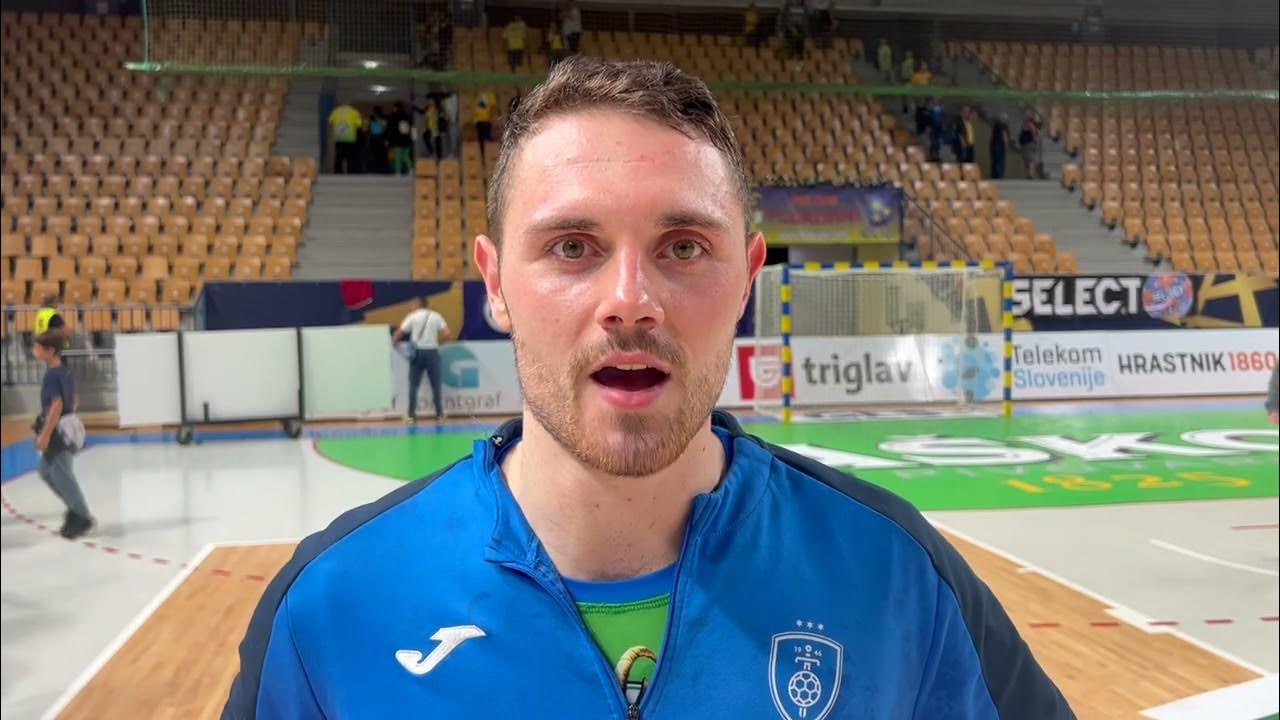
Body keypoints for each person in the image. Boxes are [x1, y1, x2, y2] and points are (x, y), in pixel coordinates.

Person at [223, 57, 1072, 718]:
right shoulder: (334, 605)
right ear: (495, 282)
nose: (630, 300)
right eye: (572, 248)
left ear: (747, 279)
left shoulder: (896, 576)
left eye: (683, 247)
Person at [32, 331, 92, 539]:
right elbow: (73, 399)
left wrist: (45, 434)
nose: (34, 351)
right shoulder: (64, 372)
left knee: (61, 473)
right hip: (66, 425)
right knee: (46, 471)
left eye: (37, 348)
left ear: (50, 351)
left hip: (58, 431)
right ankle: (74, 507)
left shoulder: (52, 375)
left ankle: (82, 515)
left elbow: (56, 405)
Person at [392, 297, 450, 422]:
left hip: (417, 353)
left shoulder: (412, 316)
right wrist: (438, 343)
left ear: (417, 304)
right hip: (432, 352)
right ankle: (439, 415)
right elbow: (447, 334)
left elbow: (400, 332)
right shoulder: (436, 316)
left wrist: (394, 343)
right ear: (426, 304)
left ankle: (411, 415)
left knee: (414, 385)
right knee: (435, 385)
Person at [328, 101, 362, 174]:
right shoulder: (354, 112)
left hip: (339, 137)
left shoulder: (336, 111)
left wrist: (331, 134)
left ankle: (338, 171)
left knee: (339, 156)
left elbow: (330, 122)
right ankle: (350, 171)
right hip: (350, 138)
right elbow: (359, 125)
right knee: (350, 156)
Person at [389, 101, 415, 176]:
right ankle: (411, 169)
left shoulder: (395, 117)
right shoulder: (407, 116)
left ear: (396, 108)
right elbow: (411, 128)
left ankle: (398, 171)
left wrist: (391, 140)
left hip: (398, 140)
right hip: (407, 139)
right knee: (406, 156)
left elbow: (393, 130)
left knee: (398, 156)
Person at [367, 106, 389, 174]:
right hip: (380, 138)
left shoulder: (373, 118)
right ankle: (381, 169)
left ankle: (377, 169)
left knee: (376, 154)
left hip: (376, 138)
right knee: (381, 155)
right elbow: (385, 128)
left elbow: (370, 128)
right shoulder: (383, 118)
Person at [1019, 111, 1041, 178]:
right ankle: (1030, 173)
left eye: (1026, 116)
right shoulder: (1026, 124)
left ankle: (1031, 174)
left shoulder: (1030, 124)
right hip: (1026, 144)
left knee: (1030, 160)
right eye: (1024, 115)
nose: (1024, 117)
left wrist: (1035, 139)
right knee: (1027, 160)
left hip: (1029, 144)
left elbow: (1034, 132)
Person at [990, 111, 1011, 179]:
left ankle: (994, 175)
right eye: (1005, 118)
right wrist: (1007, 146)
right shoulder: (1003, 125)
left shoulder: (996, 124)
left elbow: (992, 136)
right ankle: (999, 175)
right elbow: (1004, 136)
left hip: (994, 144)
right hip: (1000, 145)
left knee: (995, 160)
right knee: (1000, 161)